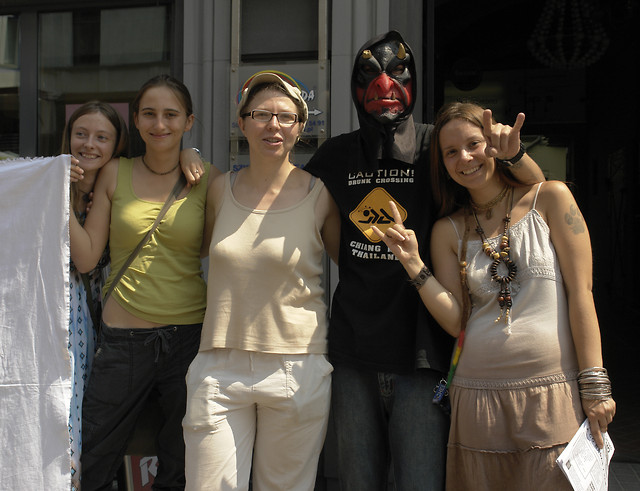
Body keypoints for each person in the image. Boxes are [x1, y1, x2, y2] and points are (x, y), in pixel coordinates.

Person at [303, 31, 545, 489]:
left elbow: (534, 193)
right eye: (370, 75)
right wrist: (193, 167)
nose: (385, 86)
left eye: (398, 72)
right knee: (358, 480)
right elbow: (286, 195)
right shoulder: (337, 154)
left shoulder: (442, 146)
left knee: (422, 480)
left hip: (424, 351)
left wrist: (516, 155)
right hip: (353, 348)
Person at [374, 101, 616, 490]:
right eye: (451, 152)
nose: (464, 158)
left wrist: (595, 384)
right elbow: (456, 320)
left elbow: (581, 294)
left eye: (473, 144)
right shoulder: (446, 231)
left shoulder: (550, 198)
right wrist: (413, 265)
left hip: (553, 392)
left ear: (494, 143)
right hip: (476, 399)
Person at [182, 71, 340, 490]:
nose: (274, 125)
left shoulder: (322, 195)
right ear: (242, 123)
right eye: (261, 115)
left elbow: (354, 265)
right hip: (219, 365)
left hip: (296, 365)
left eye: (286, 117)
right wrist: (188, 153)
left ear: (300, 128)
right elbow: (191, 244)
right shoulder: (217, 188)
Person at [69, 74, 219, 490]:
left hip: (188, 339)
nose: (160, 124)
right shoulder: (115, 172)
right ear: (135, 120)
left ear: (189, 121)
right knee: (94, 455)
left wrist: (194, 155)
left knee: (182, 460)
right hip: (123, 343)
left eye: (171, 115)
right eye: (149, 114)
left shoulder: (207, 178)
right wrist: (59, 200)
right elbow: (85, 258)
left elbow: (210, 247)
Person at [63, 101, 129, 490]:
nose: (89, 144)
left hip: (100, 333)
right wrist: (53, 184)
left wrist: (192, 153)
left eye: (102, 137)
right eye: (80, 134)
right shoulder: (46, 181)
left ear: (116, 146)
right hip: (52, 328)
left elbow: (88, 261)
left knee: (88, 431)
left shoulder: (117, 186)